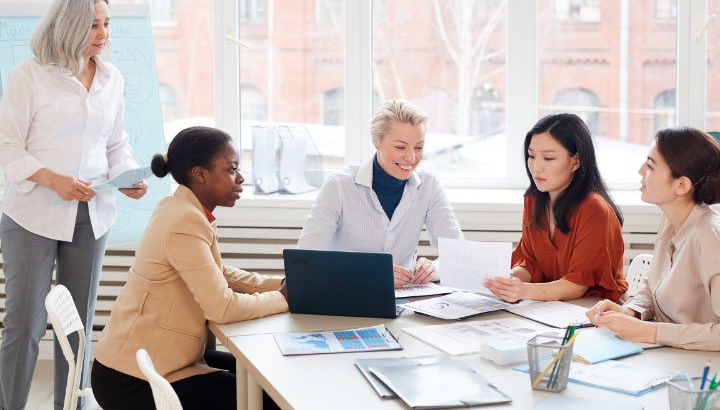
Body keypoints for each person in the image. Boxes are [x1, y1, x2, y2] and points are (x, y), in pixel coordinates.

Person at [0, 0, 148, 410]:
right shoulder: (29, 76)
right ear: (68, 26)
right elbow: (7, 145)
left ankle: (73, 406)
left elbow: (116, 146)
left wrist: (126, 177)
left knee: (77, 326)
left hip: (92, 213)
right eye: (93, 25)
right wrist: (52, 179)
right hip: (33, 214)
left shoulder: (111, 77)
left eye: (106, 24)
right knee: (25, 324)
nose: (103, 34)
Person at [91, 126, 288, 409]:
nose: (241, 178)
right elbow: (222, 308)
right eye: (232, 169)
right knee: (269, 396)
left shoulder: (179, 208)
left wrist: (281, 284)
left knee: (264, 372)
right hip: (133, 381)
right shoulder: (184, 221)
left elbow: (217, 273)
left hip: (155, 360)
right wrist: (282, 299)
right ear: (200, 174)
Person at [296, 98, 464, 288]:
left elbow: (459, 255)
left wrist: (434, 268)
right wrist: (373, 273)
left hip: (403, 300)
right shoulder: (338, 186)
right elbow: (306, 260)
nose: (411, 157)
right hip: (344, 294)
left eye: (419, 147)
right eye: (400, 147)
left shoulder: (429, 185)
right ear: (376, 141)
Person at [587, 127, 720, 350]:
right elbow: (654, 287)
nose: (640, 171)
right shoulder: (671, 219)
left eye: (650, 166)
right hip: (670, 355)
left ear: (681, 185)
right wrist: (630, 311)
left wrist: (650, 332)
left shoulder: (709, 236)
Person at [484, 113, 626, 302]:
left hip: (594, 308)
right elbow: (530, 263)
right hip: (551, 307)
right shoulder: (534, 199)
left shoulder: (595, 209)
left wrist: (523, 291)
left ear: (576, 161)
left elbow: (577, 285)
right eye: (531, 156)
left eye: (548, 158)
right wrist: (509, 279)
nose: (536, 167)